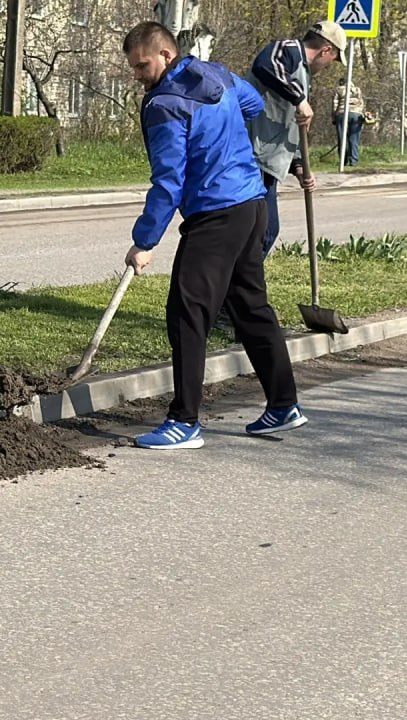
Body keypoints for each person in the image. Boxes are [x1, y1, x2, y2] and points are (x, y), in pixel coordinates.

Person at [121, 21, 307, 450]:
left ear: (165, 55)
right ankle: (283, 405)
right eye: (133, 68)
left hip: (216, 217)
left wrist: (145, 240)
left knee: (187, 312)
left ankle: (184, 421)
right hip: (251, 206)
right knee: (250, 307)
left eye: (142, 65)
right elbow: (254, 105)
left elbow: (168, 180)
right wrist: (224, 144)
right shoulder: (218, 75)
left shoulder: (164, 105)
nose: (138, 75)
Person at [244, 20, 347, 257]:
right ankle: (239, 288)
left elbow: (290, 127)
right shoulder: (288, 50)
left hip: (269, 164)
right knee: (261, 232)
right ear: (326, 50)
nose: (330, 66)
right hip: (250, 157)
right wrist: (299, 99)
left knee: (263, 232)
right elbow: (265, 64)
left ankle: (240, 288)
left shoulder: (302, 77)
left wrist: (300, 166)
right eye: (334, 59)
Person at [333, 77, 373, 166]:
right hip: (356, 114)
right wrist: (363, 114)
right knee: (354, 138)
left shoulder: (338, 89)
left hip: (341, 114)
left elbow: (335, 104)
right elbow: (361, 103)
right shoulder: (357, 90)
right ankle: (353, 160)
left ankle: (343, 161)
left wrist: (334, 117)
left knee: (342, 138)